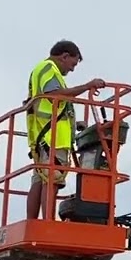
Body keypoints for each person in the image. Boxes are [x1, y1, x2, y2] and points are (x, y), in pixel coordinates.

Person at [24, 40, 106, 220]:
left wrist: (75, 123)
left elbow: (53, 104)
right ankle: (47, 223)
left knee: (40, 179)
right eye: (73, 64)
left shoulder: (42, 70)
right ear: (64, 56)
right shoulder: (48, 68)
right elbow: (55, 95)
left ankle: (33, 223)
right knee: (52, 179)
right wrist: (87, 86)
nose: (72, 69)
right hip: (53, 137)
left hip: (42, 136)